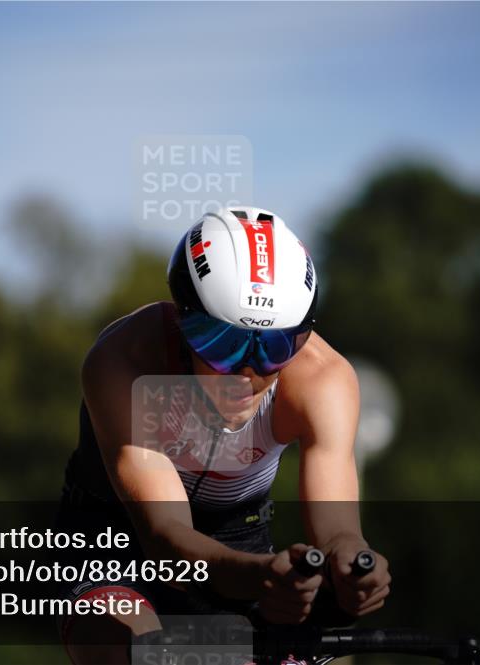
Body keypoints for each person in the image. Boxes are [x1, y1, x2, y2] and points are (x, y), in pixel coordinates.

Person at [53, 207, 392, 664]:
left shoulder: (323, 380)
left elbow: (337, 531)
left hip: (240, 539)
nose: (246, 374)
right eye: (222, 344)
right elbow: (166, 537)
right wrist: (261, 577)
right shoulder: (124, 360)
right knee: (134, 650)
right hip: (116, 538)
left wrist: (351, 565)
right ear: (183, 320)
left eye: (272, 349)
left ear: (301, 339)